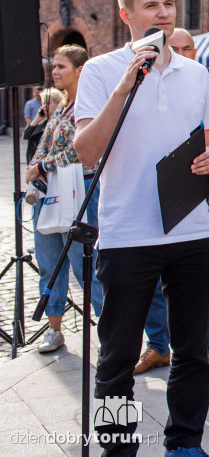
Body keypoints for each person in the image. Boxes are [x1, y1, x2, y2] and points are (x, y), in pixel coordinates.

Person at [75, 0, 209, 455]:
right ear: (126, 15)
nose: (162, 13)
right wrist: (125, 83)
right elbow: (86, 152)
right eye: (150, 5)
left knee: (192, 352)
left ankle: (185, 443)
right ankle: (119, 450)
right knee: (116, 358)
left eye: (168, 4)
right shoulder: (99, 71)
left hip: (191, 230)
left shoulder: (197, 73)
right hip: (127, 235)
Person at [133, 28, 209, 378]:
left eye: (184, 48)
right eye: (170, 47)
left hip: (198, 203)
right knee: (153, 283)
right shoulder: (142, 83)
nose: (177, 52)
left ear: (195, 50)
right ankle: (159, 346)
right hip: (152, 201)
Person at [27, 46, 104, 354]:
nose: (54, 72)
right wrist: (37, 166)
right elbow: (44, 144)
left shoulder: (87, 107)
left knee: (86, 265)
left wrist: (43, 166)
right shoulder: (60, 107)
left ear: (80, 70)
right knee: (49, 263)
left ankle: (107, 332)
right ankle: (54, 328)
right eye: (54, 66)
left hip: (78, 190)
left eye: (61, 66)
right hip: (50, 193)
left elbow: (84, 151)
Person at [23, 88, 62, 162]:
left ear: (58, 104)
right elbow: (26, 135)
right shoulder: (42, 123)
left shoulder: (61, 123)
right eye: (43, 103)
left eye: (48, 103)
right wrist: (36, 120)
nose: (44, 106)